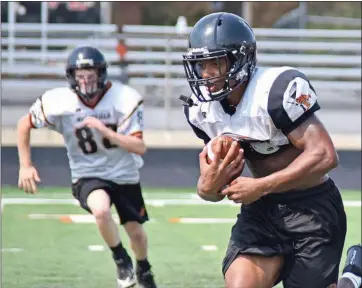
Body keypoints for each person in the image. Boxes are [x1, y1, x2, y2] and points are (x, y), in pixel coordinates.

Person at [180, 12, 347, 288]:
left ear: (240, 60)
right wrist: (206, 188)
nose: (206, 74)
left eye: (216, 63)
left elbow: (325, 155)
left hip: (312, 209)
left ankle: (352, 278)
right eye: (201, 64)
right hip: (263, 211)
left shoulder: (275, 91)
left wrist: (262, 186)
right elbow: (213, 189)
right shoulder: (202, 111)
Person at [17, 46, 157, 288]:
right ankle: (121, 260)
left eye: (91, 75)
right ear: (71, 76)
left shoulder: (125, 98)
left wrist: (106, 132)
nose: (86, 82)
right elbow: (24, 124)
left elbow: (139, 147)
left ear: (101, 74)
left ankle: (143, 268)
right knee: (101, 210)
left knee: (136, 233)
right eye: (80, 76)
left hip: (124, 173)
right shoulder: (58, 100)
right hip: (87, 173)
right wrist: (25, 165)